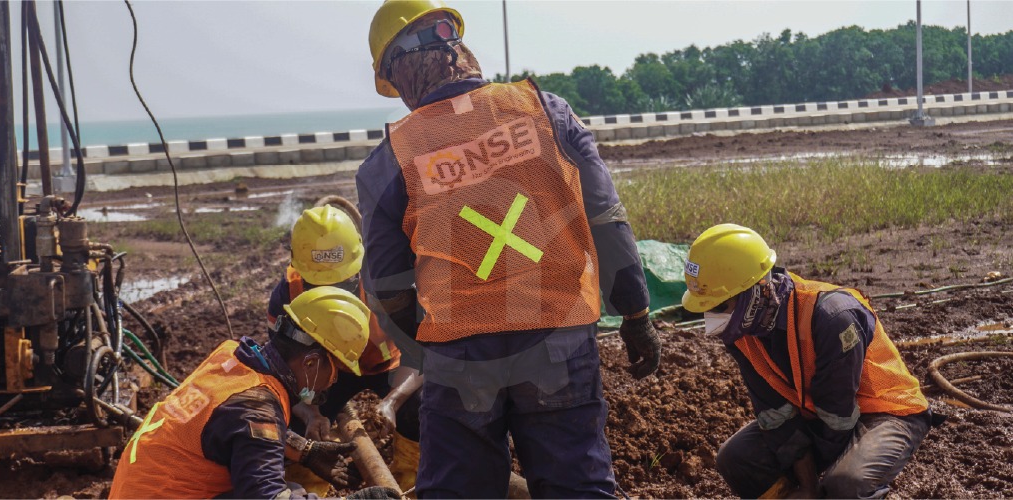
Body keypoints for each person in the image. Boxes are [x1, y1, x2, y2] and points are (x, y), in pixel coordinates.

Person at [357, 1, 661, 497]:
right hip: (557, 339)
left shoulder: (391, 157)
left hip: (460, 354)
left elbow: (387, 286)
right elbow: (607, 219)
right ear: (455, 45)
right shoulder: (545, 111)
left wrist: (429, 348)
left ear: (403, 65)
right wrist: (635, 312)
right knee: (576, 487)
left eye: (395, 82)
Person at [681, 223, 935, 498]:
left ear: (753, 292)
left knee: (845, 484)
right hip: (818, 413)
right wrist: (807, 487)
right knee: (736, 457)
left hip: (885, 411)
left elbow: (837, 416)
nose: (712, 319)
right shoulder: (739, 330)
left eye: (719, 306)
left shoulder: (831, 316)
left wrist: (817, 491)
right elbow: (773, 412)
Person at [111, 287, 399, 500]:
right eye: (334, 372)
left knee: (295, 490)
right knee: (289, 494)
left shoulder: (231, 357)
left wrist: (306, 452)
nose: (332, 383)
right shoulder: (258, 406)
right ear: (311, 362)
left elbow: (231, 426)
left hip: (139, 490)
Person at [267, 205, 421, 492]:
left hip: (386, 367)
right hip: (324, 375)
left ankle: (409, 483)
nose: (332, 294)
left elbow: (421, 353)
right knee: (291, 424)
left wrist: (393, 401)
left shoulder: (386, 284)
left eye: (341, 284)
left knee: (422, 408)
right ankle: (308, 490)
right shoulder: (287, 295)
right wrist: (309, 412)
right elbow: (281, 371)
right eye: (319, 285)